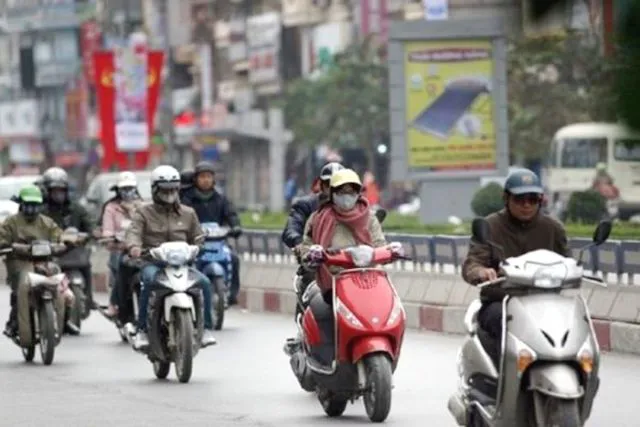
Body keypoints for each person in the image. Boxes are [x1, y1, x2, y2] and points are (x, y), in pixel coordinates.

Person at [461, 168, 570, 366]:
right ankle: (504, 372)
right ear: (506, 198)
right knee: (500, 319)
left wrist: (573, 271)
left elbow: (568, 262)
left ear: (540, 200)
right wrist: (482, 272)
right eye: (520, 199)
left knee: (574, 321)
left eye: (532, 199)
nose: (526, 205)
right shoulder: (490, 226)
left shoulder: (553, 229)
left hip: (545, 303)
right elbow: (472, 262)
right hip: (502, 302)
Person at [125, 165, 217, 350]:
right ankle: (142, 330)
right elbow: (134, 232)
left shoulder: (188, 213)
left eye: (173, 189)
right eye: (165, 189)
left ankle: (206, 328)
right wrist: (134, 247)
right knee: (149, 281)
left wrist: (200, 245)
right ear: (155, 189)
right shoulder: (143, 212)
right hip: (154, 263)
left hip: (182, 265)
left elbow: (197, 236)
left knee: (205, 283)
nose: (169, 193)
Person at [299, 168, 387, 304]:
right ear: (332, 193)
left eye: (351, 192)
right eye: (341, 192)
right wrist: (313, 256)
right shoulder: (317, 219)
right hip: (333, 282)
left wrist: (387, 254)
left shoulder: (369, 218)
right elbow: (306, 249)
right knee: (318, 307)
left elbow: (380, 246)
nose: (347, 197)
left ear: (358, 193)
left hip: (367, 280)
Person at [1, 185, 63, 338]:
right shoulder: (10, 222)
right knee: (22, 287)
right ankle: (15, 323)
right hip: (19, 262)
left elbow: (59, 236)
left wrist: (63, 243)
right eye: (28, 204)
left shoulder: (47, 222)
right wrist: (11, 246)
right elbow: (2, 239)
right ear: (21, 204)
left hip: (44, 262)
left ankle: (60, 319)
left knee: (58, 282)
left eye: (35, 205)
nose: (32, 208)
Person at [281, 162, 344, 310]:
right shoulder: (307, 206)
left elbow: (370, 233)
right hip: (316, 264)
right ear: (322, 185)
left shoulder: (355, 208)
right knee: (314, 298)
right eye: (329, 184)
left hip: (348, 266)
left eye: (338, 185)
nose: (333, 189)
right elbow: (292, 227)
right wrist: (299, 244)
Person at [180, 161, 243, 306]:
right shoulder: (187, 198)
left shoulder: (220, 198)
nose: (206, 180)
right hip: (194, 242)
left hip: (217, 241)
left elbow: (231, 214)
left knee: (234, 258)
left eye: (209, 176)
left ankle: (232, 294)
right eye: (202, 177)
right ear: (196, 179)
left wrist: (235, 226)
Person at [40, 167, 96, 313]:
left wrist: (93, 233)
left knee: (87, 266)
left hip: (74, 252)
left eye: (61, 190)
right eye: (54, 191)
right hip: (50, 253)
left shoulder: (76, 208)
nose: (58, 194)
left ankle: (88, 299)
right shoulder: (40, 211)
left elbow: (90, 224)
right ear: (47, 191)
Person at [101, 171, 144, 318]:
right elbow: (107, 230)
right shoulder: (111, 207)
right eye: (124, 189)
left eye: (130, 188)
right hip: (119, 248)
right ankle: (115, 304)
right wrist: (110, 237)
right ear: (118, 190)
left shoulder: (143, 206)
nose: (127, 192)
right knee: (120, 266)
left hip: (139, 248)